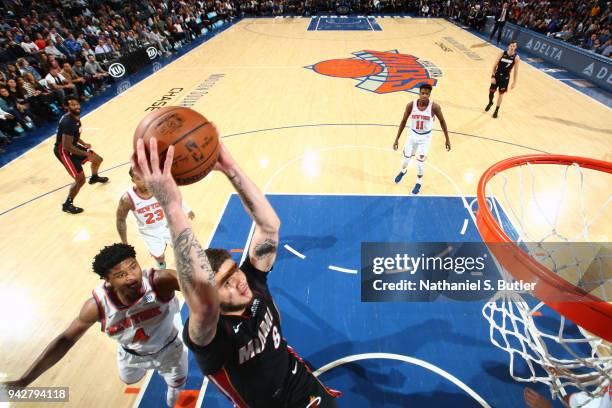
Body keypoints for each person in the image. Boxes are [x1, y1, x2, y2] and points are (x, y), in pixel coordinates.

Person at [132, 136, 342, 407]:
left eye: (234, 272)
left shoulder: (251, 282)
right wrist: (172, 207)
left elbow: (269, 228)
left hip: (297, 379)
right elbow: (200, 296)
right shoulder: (212, 333)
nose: (237, 282)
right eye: (223, 283)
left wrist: (230, 167)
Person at [0, 244, 188, 408]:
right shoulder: (96, 306)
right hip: (132, 354)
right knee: (130, 379)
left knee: (176, 387)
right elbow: (64, 341)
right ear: (108, 280)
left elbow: (204, 291)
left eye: (133, 267)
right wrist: (23, 381)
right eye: (121, 274)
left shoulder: (161, 281)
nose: (132, 277)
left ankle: (172, 392)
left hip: (169, 347)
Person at [116, 167, 195, 270]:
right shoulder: (127, 199)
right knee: (160, 256)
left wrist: (187, 209)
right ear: (133, 180)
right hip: (149, 231)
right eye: (139, 178)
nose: (145, 181)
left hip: (168, 225)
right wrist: (124, 242)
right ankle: (161, 263)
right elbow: (120, 220)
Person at [392, 83, 451, 195]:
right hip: (412, 135)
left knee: (420, 162)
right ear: (419, 93)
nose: (424, 95)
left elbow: (442, 122)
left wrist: (447, 139)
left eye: (427, 93)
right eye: (422, 93)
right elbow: (403, 121)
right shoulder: (411, 105)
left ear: (430, 94)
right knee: (405, 160)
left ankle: (419, 182)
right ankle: (403, 171)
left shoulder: (435, 107)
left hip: (425, 137)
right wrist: (397, 138)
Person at [53, 97, 108, 214]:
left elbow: (74, 135)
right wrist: (86, 154)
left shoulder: (75, 118)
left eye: (77, 104)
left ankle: (94, 177)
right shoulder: (68, 122)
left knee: (98, 159)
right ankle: (68, 204)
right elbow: (66, 146)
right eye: (73, 105)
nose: (77, 107)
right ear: (67, 107)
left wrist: (83, 143)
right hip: (64, 152)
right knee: (80, 180)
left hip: (72, 146)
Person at [485, 40, 520, 118]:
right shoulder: (502, 53)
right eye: (511, 46)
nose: (512, 47)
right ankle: (490, 102)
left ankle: (496, 110)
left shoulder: (516, 58)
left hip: (505, 78)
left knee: (501, 94)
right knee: (491, 92)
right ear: (508, 46)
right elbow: (494, 66)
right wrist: (493, 76)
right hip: (497, 76)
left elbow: (516, 71)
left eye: (514, 46)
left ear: (516, 47)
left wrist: (514, 82)